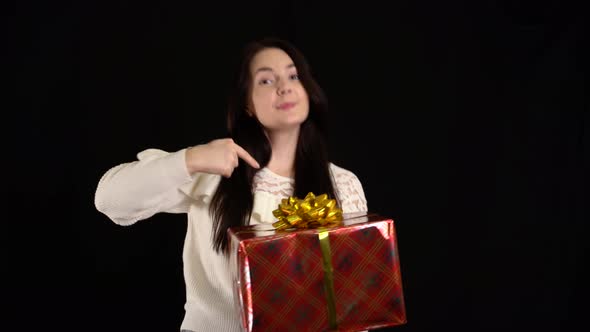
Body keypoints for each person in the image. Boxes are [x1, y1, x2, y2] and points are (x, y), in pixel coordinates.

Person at [94, 36, 368, 332]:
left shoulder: (343, 183)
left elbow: (352, 299)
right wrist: (191, 158)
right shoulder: (214, 170)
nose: (284, 86)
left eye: (293, 75)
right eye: (266, 80)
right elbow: (109, 199)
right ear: (247, 104)